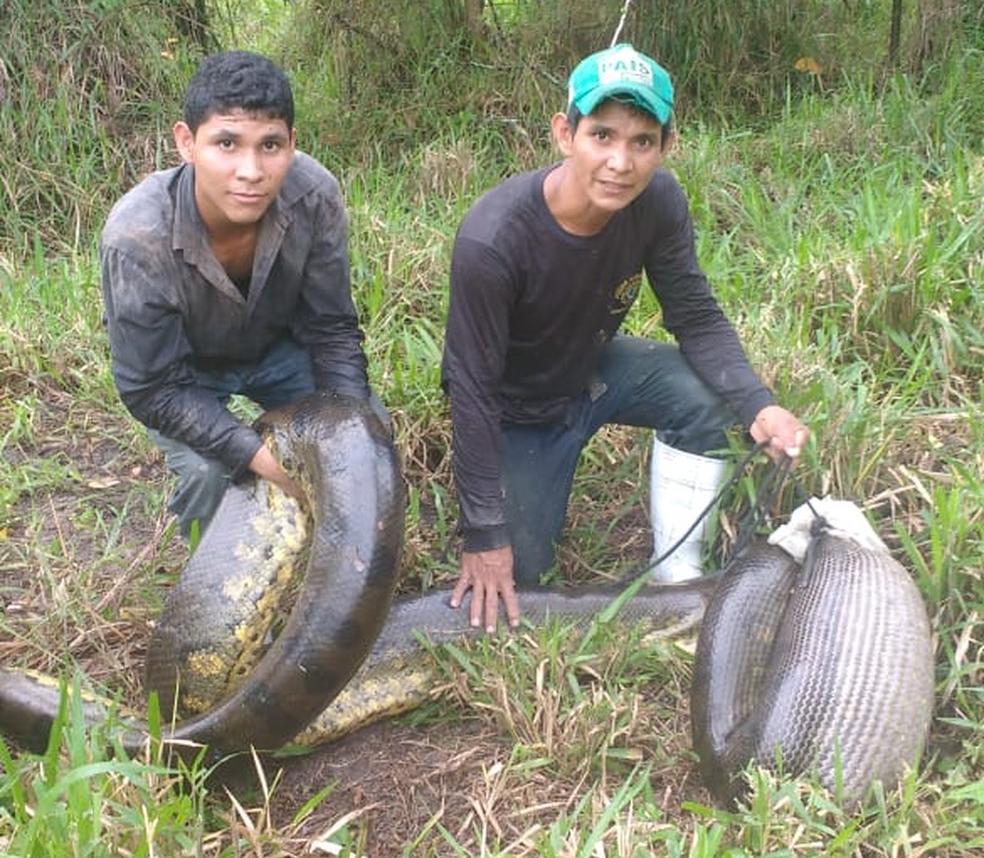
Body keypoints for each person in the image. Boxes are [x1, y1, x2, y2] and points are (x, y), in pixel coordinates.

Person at [441, 43, 809, 632]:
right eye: (603, 136)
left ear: (666, 146)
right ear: (566, 134)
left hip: (593, 372)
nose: (621, 161)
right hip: (516, 409)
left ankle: (678, 579)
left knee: (717, 401)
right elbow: (473, 389)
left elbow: (695, 315)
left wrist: (759, 404)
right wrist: (485, 532)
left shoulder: (658, 202)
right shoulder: (494, 239)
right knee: (523, 577)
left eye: (643, 142)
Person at [101, 50, 378, 541]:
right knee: (211, 475)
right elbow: (151, 388)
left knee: (367, 436)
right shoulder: (137, 238)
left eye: (270, 145)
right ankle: (217, 592)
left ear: (292, 144)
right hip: (184, 377)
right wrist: (255, 455)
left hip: (277, 350)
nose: (251, 170)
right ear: (186, 143)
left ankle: (341, 550)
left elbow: (331, 330)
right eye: (226, 143)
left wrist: (349, 430)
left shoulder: (313, 196)